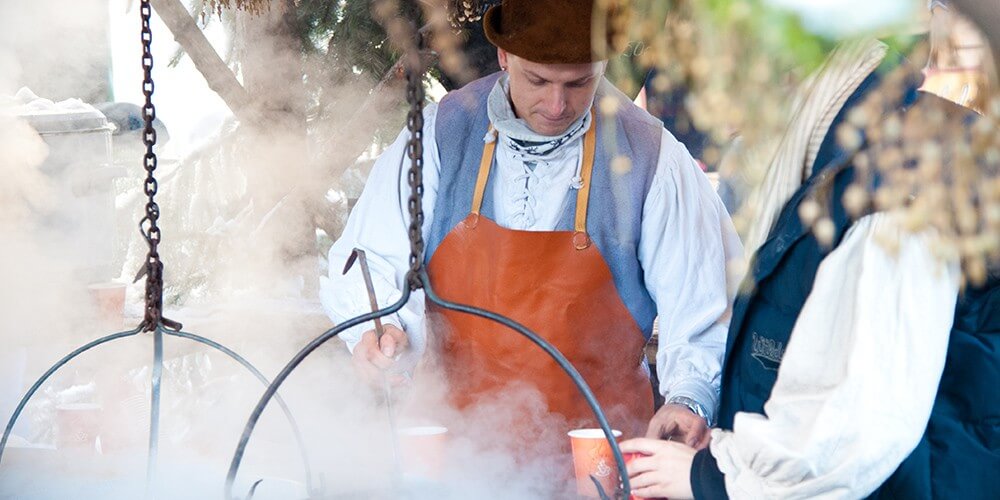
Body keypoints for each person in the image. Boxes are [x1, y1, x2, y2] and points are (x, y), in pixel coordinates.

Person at [320, 0, 741, 445]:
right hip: (453, 450)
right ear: (505, 57)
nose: (557, 105)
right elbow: (371, 258)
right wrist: (378, 333)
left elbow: (706, 306)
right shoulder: (440, 133)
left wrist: (689, 397)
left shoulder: (652, 156)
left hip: (600, 453)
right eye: (538, 80)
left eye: (579, 83)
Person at [620, 5, 999, 499]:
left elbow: (855, 424)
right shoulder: (829, 157)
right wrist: (719, 438)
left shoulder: (896, 178)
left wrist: (709, 477)